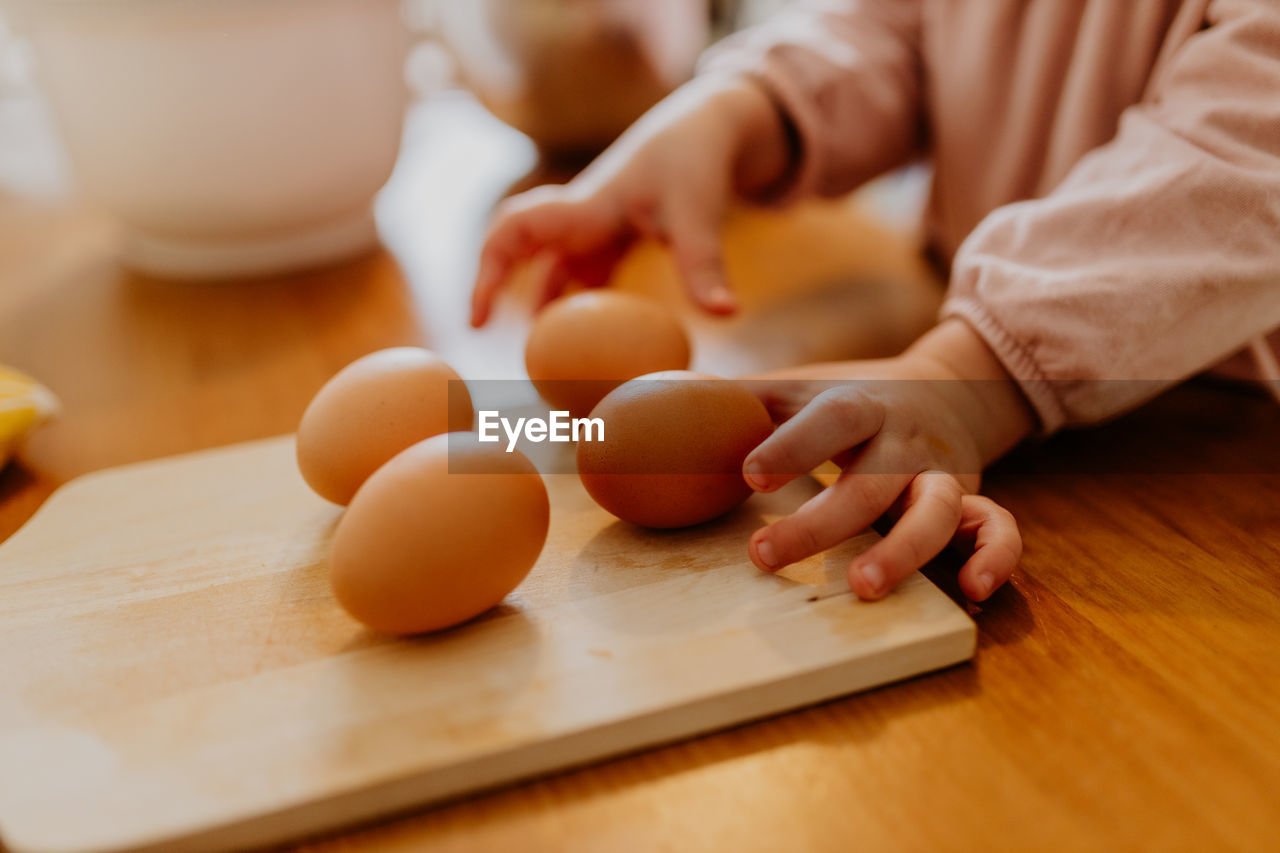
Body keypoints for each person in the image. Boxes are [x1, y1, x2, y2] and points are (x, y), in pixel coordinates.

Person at [469, 0, 1280, 603]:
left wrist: (976, 371)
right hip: (997, 392)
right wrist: (746, 110)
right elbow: (907, 27)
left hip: (1213, 448)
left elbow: (1242, 157)